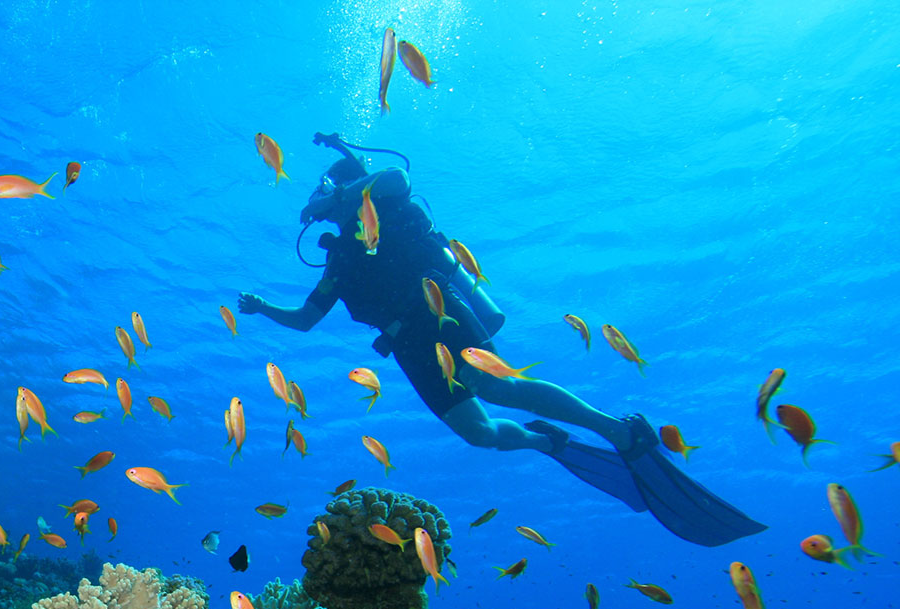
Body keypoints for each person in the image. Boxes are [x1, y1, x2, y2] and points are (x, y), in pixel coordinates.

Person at [236, 133, 763, 547]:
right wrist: (262, 309)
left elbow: (396, 176)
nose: (315, 201)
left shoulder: (384, 205)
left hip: (438, 314)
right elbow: (306, 319)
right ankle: (546, 441)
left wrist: (341, 190)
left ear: (341, 187)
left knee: (497, 388)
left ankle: (620, 431)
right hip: (408, 348)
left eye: (321, 191)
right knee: (479, 433)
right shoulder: (340, 257)